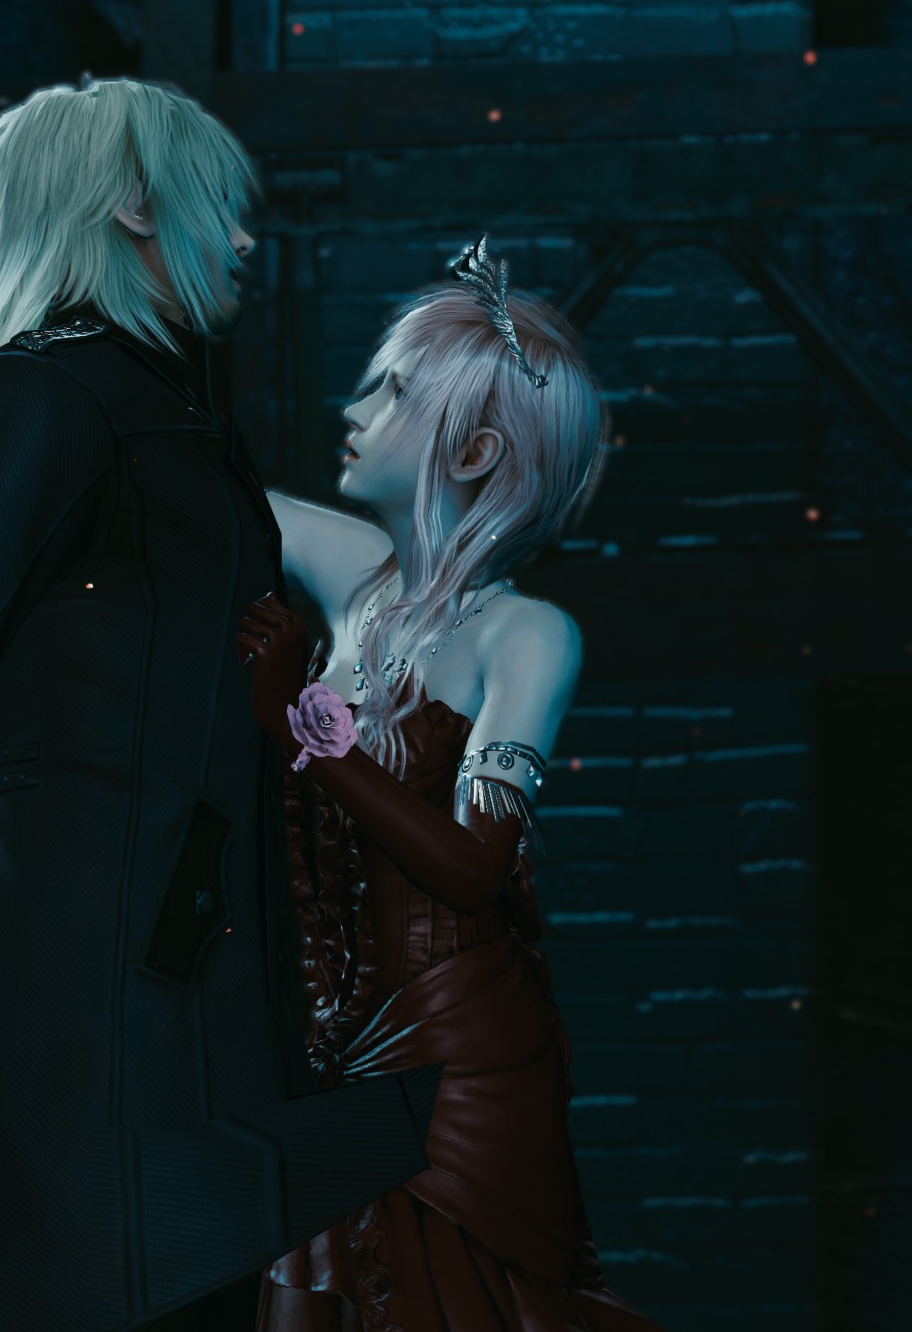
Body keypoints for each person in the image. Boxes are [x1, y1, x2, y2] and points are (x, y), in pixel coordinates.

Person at [0, 77, 442, 1332]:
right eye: (214, 204)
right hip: (96, 1010)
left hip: (194, 1008)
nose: (242, 238)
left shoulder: (165, 426)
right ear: (134, 203)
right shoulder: (36, 395)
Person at [232, 241, 661, 1331]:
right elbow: (206, 495)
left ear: (473, 450)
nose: (356, 408)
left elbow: (474, 868)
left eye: (392, 393)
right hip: (336, 1052)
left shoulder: (527, 636)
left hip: (461, 1062)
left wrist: (301, 730)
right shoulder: (357, 583)